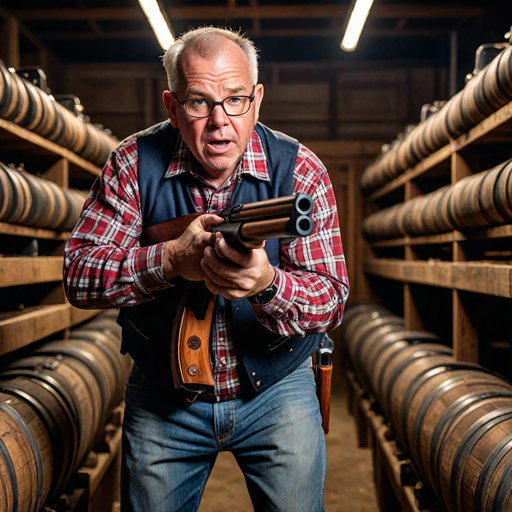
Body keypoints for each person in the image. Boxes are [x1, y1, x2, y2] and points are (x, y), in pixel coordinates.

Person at [64, 26, 349, 512]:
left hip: (278, 392)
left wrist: (267, 285)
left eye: (236, 100)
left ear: (257, 100)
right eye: (199, 102)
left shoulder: (301, 170)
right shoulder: (132, 164)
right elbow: (80, 275)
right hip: (163, 397)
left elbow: (331, 299)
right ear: (172, 107)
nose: (220, 122)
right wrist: (171, 259)